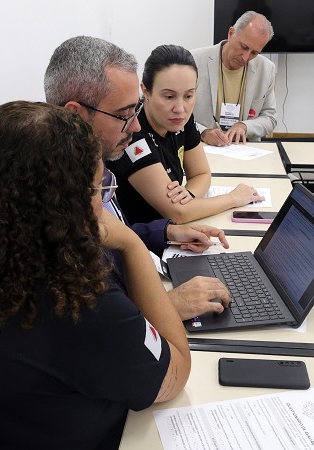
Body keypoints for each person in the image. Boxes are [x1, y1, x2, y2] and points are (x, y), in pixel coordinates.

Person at [0, 101, 190, 450]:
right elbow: (175, 372)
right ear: (64, 203)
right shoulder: (76, 301)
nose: (101, 204)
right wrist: (130, 244)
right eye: (96, 189)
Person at [44, 36, 231, 319]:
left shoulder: (92, 169)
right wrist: (167, 305)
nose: (135, 127)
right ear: (75, 115)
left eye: (136, 111)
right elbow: (87, 318)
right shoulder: (54, 200)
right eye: (124, 115)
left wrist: (164, 232)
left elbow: (115, 234)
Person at [107, 44, 263, 225]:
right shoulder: (132, 132)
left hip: (175, 230)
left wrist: (188, 194)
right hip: (144, 236)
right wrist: (234, 198)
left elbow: (201, 174)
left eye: (188, 96)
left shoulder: (181, 120)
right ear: (146, 91)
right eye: (169, 97)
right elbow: (177, 213)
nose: (180, 109)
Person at [192, 11, 277, 146]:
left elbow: (270, 118)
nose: (245, 57)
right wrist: (203, 132)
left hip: (244, 148)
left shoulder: (267, 69)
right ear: (231, 33)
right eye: (244, 47)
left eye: (254, 53)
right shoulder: (194, 61)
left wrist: (244, 126)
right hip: (202, 145)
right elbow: (177, 112)